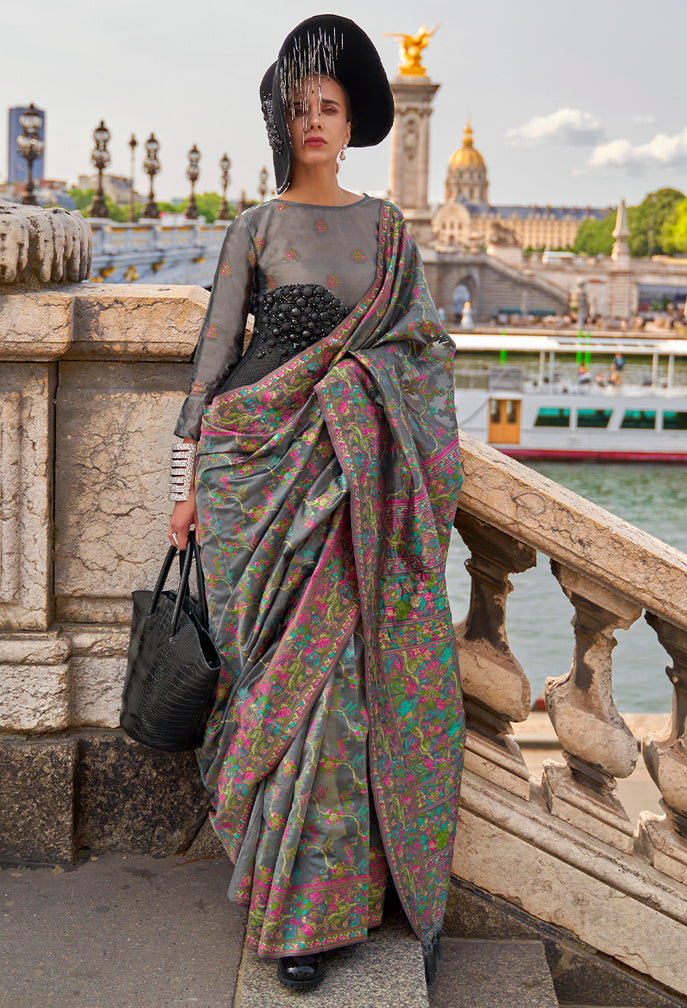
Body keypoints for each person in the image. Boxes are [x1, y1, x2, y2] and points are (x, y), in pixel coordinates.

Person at [168, 14, 465, 994]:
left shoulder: (388, 234)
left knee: (332, 701)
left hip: (347, 488)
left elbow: (422, 357)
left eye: (329, 107)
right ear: (280, 120)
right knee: (268, 692)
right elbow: (211, 365)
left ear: (353, 120)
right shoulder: (251, 229)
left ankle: (313, 917)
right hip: (251, 481)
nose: (314, 123)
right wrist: (185, 497)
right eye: (299, 108)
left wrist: (354, 392)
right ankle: (281, 890)